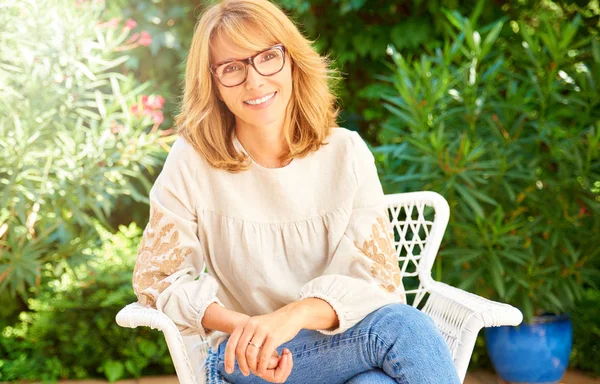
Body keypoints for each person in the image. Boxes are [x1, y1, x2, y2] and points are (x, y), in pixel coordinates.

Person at [132, 0, 461, 383]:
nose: (254, 81)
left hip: (340, 344)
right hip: (245, 359)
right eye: (232, 67)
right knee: (405, 328)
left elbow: (378, 285)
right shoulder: (192, 160)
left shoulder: (346, 153)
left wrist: (294, 315)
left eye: (267, 57)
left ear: (291, 60)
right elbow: (159, 282)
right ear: (213, 82)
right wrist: (250, 328)